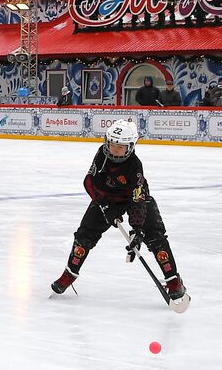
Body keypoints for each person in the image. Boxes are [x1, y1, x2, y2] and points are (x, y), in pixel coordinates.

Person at [50, 120, 187, 309]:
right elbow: (89, 181)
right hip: (107, 198)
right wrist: (105, 205)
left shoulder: (135, 166)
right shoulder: (102, 154)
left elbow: (138, 199)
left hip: (135, 198)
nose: (114, 150)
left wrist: (137, 229)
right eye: (112, 145)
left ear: (130, 147)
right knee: (84, 235)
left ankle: (173, 281)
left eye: (120, 147)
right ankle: (69, 274)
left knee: (155, 237)